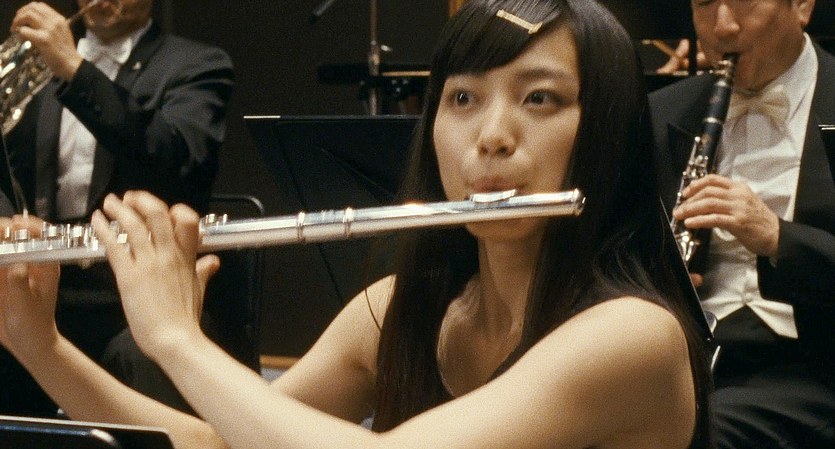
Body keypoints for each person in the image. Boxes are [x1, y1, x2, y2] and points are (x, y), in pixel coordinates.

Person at [1, 0, 712, 447]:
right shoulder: (396, 308)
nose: (492, 136)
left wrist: (176, 338)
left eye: (540, 99)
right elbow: (224, 442)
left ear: (605, 133)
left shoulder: (633, 336)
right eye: (462, 99)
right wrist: (39, 344)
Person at [0, 0, 234, 416]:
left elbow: (175, 159)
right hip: (46, 281)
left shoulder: (197, 65)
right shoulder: (36, 66)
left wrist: (76, 70)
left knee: (141, 356)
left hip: (131, 292)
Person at [649, 0, 835, 447]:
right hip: (680, 358)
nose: (723, 27)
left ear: (802, 6)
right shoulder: (659, 112)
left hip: (810, 364)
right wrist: (660, 274)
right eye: (704, 4)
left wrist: (776, 237)